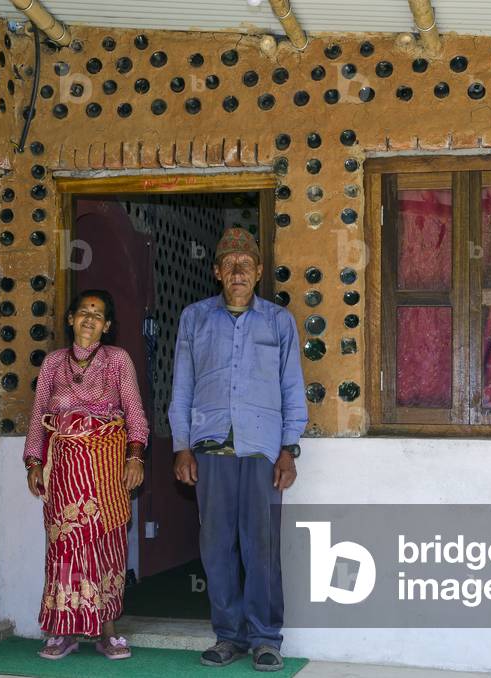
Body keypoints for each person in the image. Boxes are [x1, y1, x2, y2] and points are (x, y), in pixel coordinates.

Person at [169, 227, 308, 672]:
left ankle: (266, 638)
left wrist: (288, 449)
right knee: (216, 547)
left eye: (245, 264)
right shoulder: (194, 318)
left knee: (261, 547)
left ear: (259, 271)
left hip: (261, 450)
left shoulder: (278, 322)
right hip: (210, 449)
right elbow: (182, 386)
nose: (237, 272)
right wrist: (181, 446)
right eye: (229, 264)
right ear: (216, 272)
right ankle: (228, 635)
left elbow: (292, 388)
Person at [23, 289, 148, 661]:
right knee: (66, 546)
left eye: (98, 314)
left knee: (106, 543)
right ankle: (63, 631)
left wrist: (135, 457)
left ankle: (107, 631)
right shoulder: (53, 363)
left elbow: (135, 412)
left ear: (106, 325)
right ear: (70, 319)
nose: (89, 319)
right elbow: (38, 415)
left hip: (106, 468)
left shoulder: (117, 360)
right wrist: (33, 461)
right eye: (83, 312)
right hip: (64, 471)